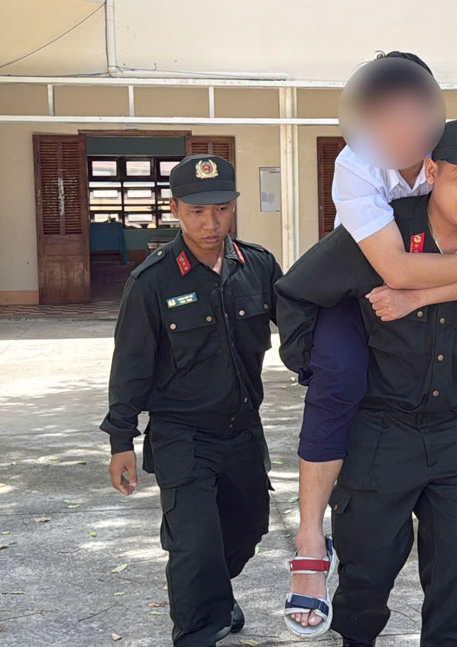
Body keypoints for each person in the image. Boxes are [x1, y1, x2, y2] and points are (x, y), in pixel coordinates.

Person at [288, 51, 457, 635]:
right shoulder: (359, 169)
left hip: (453, 430)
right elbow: (356, 276)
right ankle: (310, 535)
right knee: (364, 587)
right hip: (380, 429)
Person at [100, 155, 282, 647]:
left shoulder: (258, 266)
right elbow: (131, 366)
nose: (210, 223)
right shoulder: (153, 281)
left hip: (242, 429)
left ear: (234, 208)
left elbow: (302, 329)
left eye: (221, 209)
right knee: (196, 545)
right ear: (176, 209)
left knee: (249, 528)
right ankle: (199, 626)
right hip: (182, 433)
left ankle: (214, 590)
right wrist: (121, 440)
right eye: (198, 212)